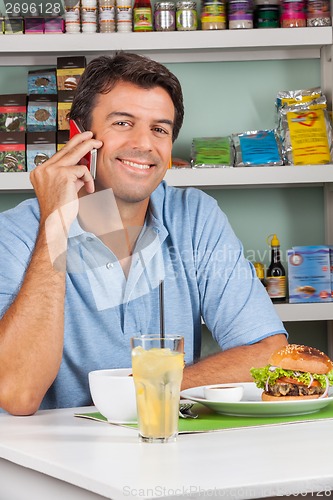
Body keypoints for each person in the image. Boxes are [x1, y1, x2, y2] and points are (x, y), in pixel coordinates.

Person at [0, 52, 287, 416]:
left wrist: (143, 393)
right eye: (123, 123)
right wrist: (54, 224)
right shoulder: (16, 234)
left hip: (165, 446)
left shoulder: (195, 216)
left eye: (159, 129)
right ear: (78, 135)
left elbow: (268, 352)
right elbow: (17, 393)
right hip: (47, 467)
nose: (145, 144)